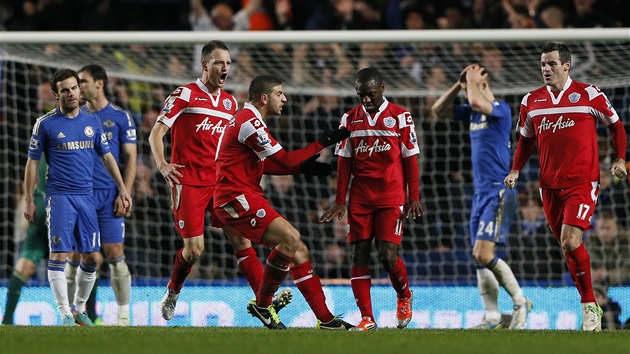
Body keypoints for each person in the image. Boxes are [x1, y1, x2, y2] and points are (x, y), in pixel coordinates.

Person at [148, 40, 292, 323]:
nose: (225, 68)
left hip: (220, 183)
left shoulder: (230, 103)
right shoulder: (185, 94)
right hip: (188, 181)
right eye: (219, 62)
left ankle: (265, 300)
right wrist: (162, 165)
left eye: (228, 63)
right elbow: (156, 132)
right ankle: (173, 291)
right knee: (194, 251)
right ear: (205, 65)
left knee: (241, 239)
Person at [504, 41, 627, 332]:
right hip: (548, 186)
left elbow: (616, 126)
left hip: (583, 182)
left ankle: (589, 306)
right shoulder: (530, 101)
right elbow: (525, 140)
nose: (546, 69)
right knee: (567, 245)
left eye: (552, 64)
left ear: (566, 66)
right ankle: (589, 303)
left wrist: (620, 158)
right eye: (543, 64)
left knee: (571, 240)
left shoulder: (589, 94)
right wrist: (516, 170)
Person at [214, 74, 352, 330]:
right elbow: (286, 160)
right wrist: (324, 141)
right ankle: (263, 304)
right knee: (290, 238)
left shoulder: (251, 120)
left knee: (299, 251)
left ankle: (326, 320)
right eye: (280, 93)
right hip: (235, 196)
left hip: (242, 193)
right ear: (265, 98)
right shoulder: (249, 121)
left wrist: (302, 171)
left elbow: (264, 165)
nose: (285, 98)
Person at [23, 68, 133, 326]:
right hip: (60, 197)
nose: (72, 93)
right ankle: (64, 314)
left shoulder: (91, 121)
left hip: (87, 197)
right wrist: (29, 198)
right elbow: (31, 162)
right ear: (56, 94)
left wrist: (123, 188)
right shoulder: (45, 124)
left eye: (74, 88)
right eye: (65, 90)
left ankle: (80, 307)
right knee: (60, 255)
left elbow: (107, 157)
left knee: (93, 257)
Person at [318, 68, 422, 331]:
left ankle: (404, 295)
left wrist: (414, 197)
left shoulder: (401, 117)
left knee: (387, 256)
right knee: (359, 255)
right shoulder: (349, 119)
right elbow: (344, 161)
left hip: (391, 197)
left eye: (370, 94)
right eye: (360, 95)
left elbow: (410, 159)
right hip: (361, 199)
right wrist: (341, 199)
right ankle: (368, 318)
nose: (365, 100)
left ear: (382, 88)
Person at [431, 64, 531, 329]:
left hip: (499, 191)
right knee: (478, 258)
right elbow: (437, 110)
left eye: (477, 83)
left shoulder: (501, 110)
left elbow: (477, 99)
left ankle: (521, 301)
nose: (470, 91)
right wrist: (458, 84)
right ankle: (493, 316)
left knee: (483, 253)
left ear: (486, 84)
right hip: (480, 194)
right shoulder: (473, 114)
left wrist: (473, 80)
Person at [62, 64, 137, 326]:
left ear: (99, 84)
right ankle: (71, 314)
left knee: (115, 252)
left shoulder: (120, 117)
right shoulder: (72, 117)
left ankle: (124, 315)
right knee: (74, 254)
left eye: (83, 81)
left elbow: (130, 157)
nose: (79, 87)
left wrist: (124, 191)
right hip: (79, 195)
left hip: (108, 195)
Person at [2, 157, 48, 325]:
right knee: (22, 269)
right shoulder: (40, 150)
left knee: (89, 260)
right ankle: (7, 321)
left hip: (62, 229)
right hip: (39, 233)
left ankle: (87, 315)